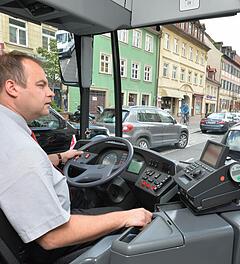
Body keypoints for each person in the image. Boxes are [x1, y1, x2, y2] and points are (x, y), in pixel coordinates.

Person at [0, 52, 153, 263]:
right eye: (41, 85)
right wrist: (126, 217)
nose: (51, 93)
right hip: (45, 245)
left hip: (24, 236)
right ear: (12, 87)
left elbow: (18, 170)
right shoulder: (21, 150)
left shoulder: (7, 130)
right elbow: (52, 236)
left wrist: (61, 157)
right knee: (126, 214)